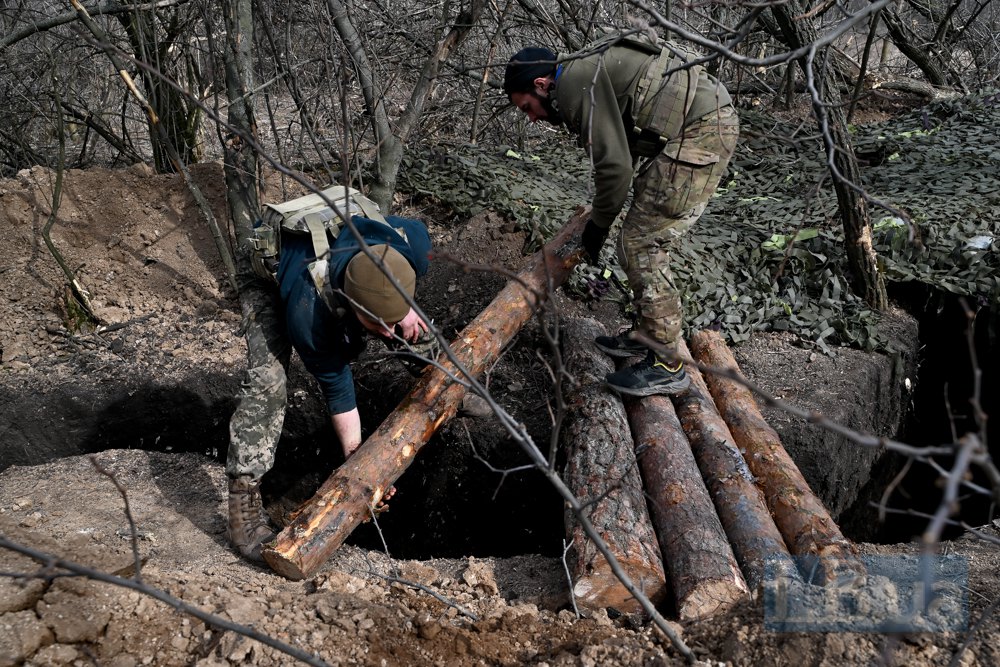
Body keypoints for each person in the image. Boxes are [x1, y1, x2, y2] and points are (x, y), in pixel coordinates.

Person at [503, 32, 739, 396]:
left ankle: (667, 364)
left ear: (541, 84)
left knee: (642, 242)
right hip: (702, 123)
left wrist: (598, 226)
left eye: (527, 108)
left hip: (701, 130)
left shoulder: (574, 85)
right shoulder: (581, 70)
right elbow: (622, 151)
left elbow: (615, 169)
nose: (532, 118)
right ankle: (649, 334)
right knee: (639, 237)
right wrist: (603, 217)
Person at [226, 208, 432, 563]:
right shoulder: (309, 314)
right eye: (375, 323)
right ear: (350, 305)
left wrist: (407, 312)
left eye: (390, 324)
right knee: (268, 382)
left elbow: (392, 301)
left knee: (412, 327)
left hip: (344, 244)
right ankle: (243, 498)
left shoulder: (411, 247)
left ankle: (442, 381)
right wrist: (359, 461)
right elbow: (338, 388)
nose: (386, 334)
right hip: (270, 264)